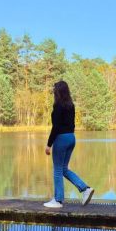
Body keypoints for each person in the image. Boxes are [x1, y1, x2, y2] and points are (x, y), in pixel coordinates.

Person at [43, 80, 95, 208]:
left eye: (54, 90)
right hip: (71, 138)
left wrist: (49, 144)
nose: (53, 92)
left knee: (57, 170)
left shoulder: (58, 106)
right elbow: (72, 124)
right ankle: (85, 189)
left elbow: (56, 127)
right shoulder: (71, 105)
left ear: (58, 92)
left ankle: (58, 200)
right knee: (64, 169)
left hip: (61, 139)